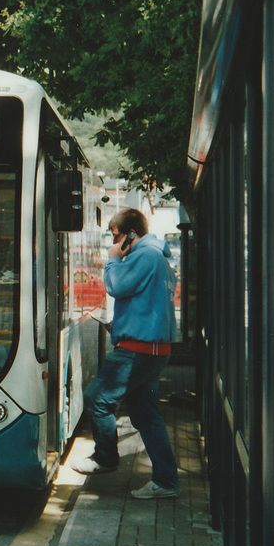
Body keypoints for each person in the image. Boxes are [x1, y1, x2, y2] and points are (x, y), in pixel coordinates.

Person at [71, 207, 180, 499]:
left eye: (115, 235)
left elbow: (117, 286)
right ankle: (166, 481)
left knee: (97, 397)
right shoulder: (157, 259)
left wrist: (111, 260)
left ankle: (105, 457)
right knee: (146, 415)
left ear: (130, 234)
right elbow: (144, 305)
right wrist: (119, 325)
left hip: (139, 350)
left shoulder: (145, 256)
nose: (113, 241)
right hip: (150, 346)